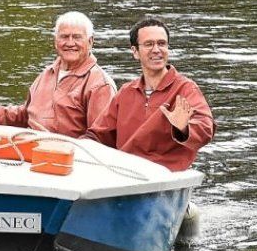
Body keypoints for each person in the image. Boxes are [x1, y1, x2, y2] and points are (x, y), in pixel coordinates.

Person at [84, 18, 215, 172]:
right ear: (135, 51)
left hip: (164, 176)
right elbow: (98, 135)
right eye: (149, 44)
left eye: (161, 43)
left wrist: (184, 129)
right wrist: (72, 146)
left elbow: (205, 129)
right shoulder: (126, 92)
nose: (156, 49)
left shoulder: (185, 89)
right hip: (126, 175)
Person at [0, 12, 116, 138]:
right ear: (55, 42)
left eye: (77, 37)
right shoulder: (47, 74)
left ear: (90, 42)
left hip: (70, 160)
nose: (70, 43)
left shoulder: (100, 84)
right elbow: (26, 114)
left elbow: (100, 137)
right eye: (64, 37)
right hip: (32, 152)